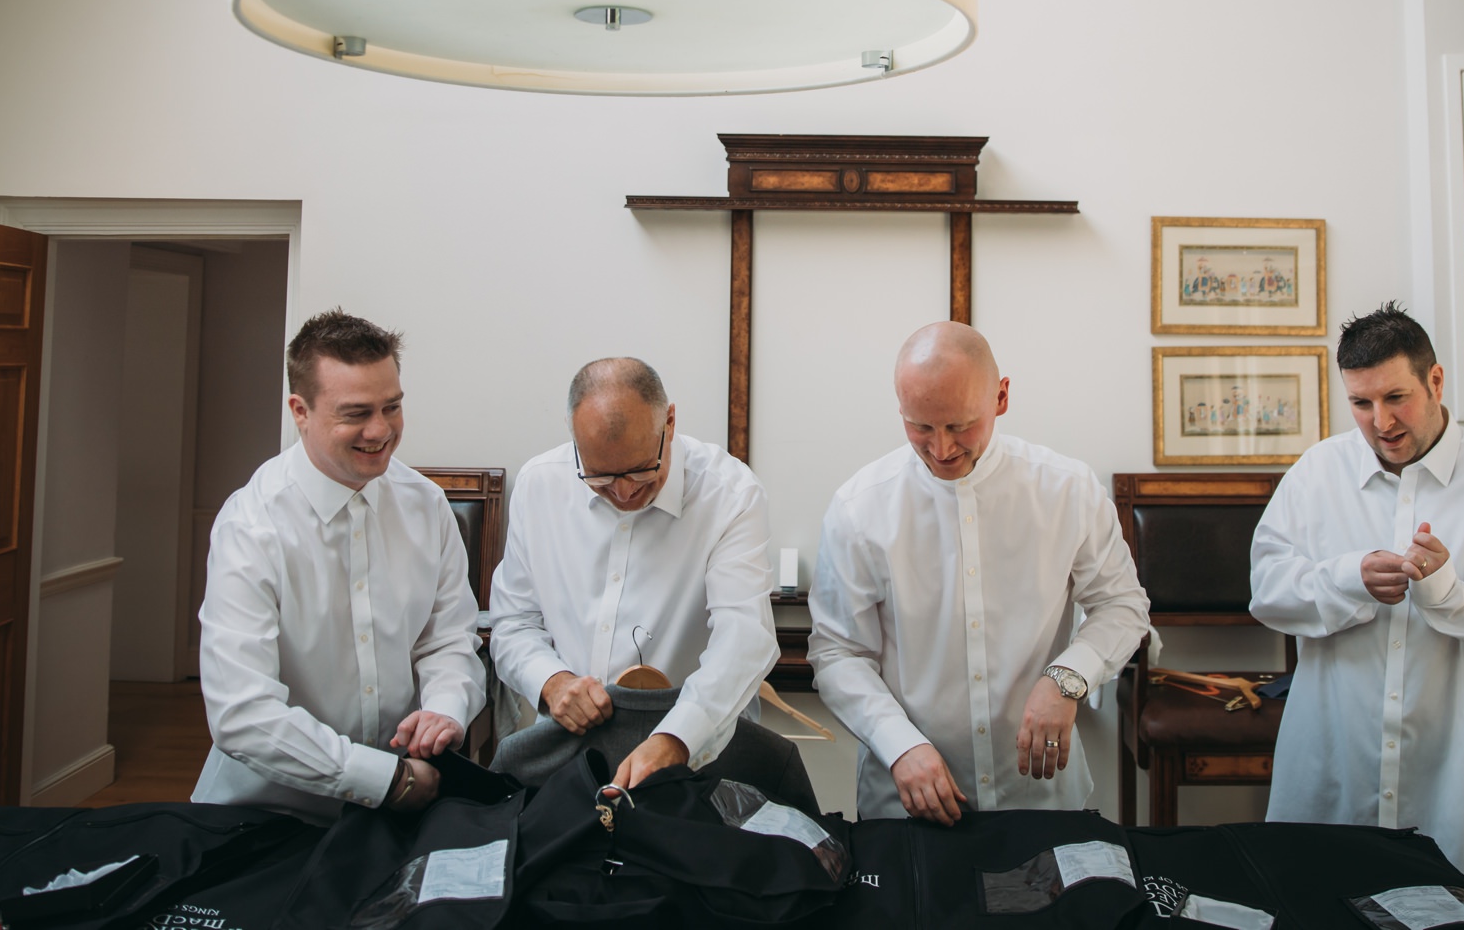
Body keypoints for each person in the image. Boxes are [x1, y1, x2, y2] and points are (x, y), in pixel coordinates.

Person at [1250, 303, 1464, 909]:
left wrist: (1454, 598)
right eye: (1360, 403)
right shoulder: (1314, 474)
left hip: (1459, 799)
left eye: (1396, 397)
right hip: (1331, 787)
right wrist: (1347, 578)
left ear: (1435, 380)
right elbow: (1268, 592)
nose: (1380, 421)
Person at [808, 322, 1151, 823]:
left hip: (1040, 796)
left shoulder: (1068, 490)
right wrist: (899, 746)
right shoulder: (860, 508)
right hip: (905, 802)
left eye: (960, 425)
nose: (942, 449)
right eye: (920, 427)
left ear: (1002, 397)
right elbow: (838, 652)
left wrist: (1067, 677)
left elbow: (1122, 606)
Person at [193, 310, 486, 821]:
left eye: (391, 407)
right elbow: (242, 713)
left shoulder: (426, 504)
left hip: (407, 802)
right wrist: (381, 779)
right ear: (300, 410)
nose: (380, 431)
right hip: (268, 812)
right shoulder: (251, 525)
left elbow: (447, 639)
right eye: (355, 413)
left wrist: (445, 709)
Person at [490, 357, 778, 790]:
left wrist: (677, 738)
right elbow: (513, 623)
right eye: (601, 477)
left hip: (699, 755)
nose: (623, 492)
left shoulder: (730, 494)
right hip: (572, 758)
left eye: (642, 470)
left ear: (671, 422)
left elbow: (744, 638)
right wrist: (551, 682)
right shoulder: (539, 486)